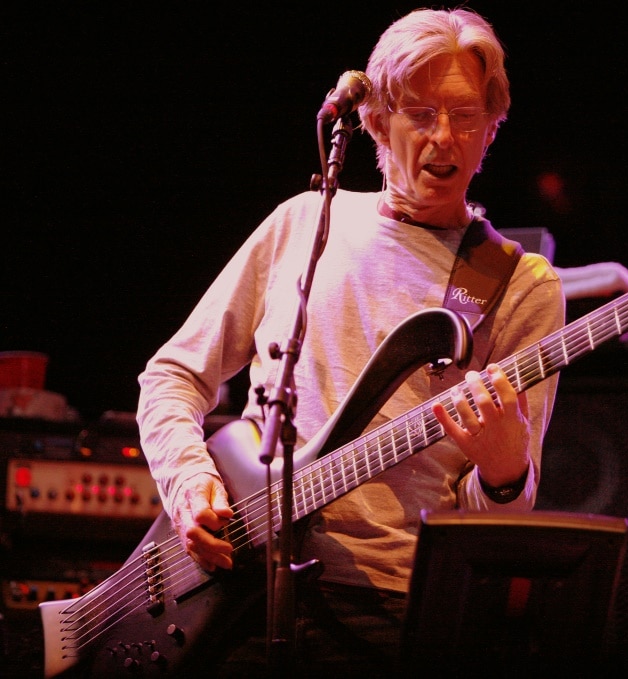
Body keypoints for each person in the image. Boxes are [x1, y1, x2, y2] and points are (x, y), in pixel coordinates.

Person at [136, 7, 564, 676]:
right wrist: (191, 482)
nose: (444, 138)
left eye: (466, 118)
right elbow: (171, 375)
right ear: (375, 122)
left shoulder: (519, 285)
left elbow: (491, 524)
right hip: (234, 592)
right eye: (420, 114)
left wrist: (507, 474)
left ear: (492, 131)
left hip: (389, 613)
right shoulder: (304, 223)